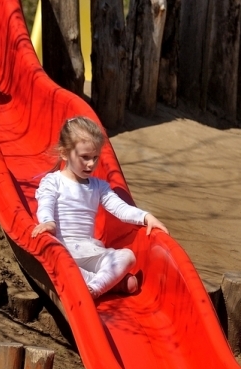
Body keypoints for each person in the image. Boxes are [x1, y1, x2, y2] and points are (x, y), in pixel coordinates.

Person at [32, 116, 168, 297]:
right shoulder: (53, 181)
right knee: (62, 264)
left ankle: (94, 287)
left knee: (127, 256)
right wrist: (48, 222)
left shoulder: (98, 186)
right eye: (85, 157)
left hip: (89, 250)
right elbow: (45, 203)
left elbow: (120, 208)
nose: (91, 164)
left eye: (95, 158)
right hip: (63, 249)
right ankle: (108, 283)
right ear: (64, 153)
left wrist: (145, 216)